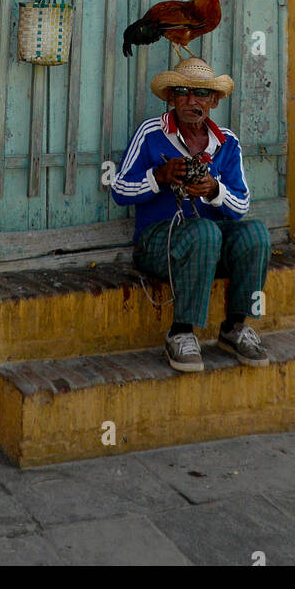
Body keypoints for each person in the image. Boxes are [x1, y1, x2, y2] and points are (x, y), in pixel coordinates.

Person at [111, 57, 271, 373]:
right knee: (204, 233)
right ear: (171, 98)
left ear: (214, 100)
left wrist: (214, 190)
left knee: (256, 234)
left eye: (200, 93)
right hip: (159, 244)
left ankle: (235, 326)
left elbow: (241, 205)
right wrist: (159, 176)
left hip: (207, 246)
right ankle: (180, 332)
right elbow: (119, 190)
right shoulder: (150, 133)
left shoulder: (227, 142)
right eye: (182, 92)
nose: (191, 100)